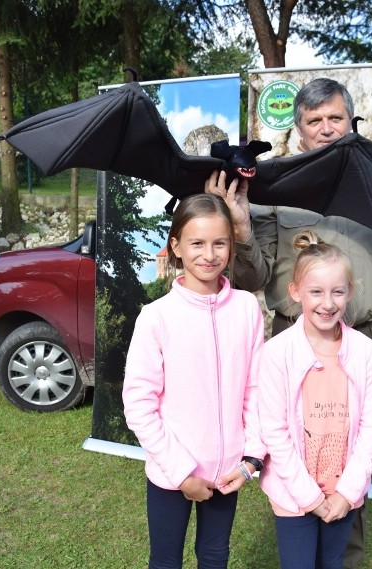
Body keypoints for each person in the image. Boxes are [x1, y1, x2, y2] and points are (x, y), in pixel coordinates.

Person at [205, 77, 372, 568]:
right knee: (295, 454)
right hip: (294, 341)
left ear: (351, 120)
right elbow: (253, 276)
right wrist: (242, 229)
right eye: (314, 121)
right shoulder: (271, 190)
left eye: (334, 118)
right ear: (301, 130)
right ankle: (300, 542)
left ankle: (342, 558)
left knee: (350, 455)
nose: (326, 129)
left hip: (365, 343)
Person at [122, 193, 266, 568]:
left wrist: (250, 459)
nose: (209, 254)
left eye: (219, 243)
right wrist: (182, 473)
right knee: (166, 560)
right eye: (197, 243)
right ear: (176, 247)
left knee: (215, 555)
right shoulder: (156, 317)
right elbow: (140, 406)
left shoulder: (247, 309)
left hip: (229, 471)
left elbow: (256, 390)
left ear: (231, 246)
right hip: (173, 474)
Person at [257, 230, 372, 569]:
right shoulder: (276, 353)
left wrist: (347, 491)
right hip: (295, 493)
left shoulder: (366, 351)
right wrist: (309, 497)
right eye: (316, 292)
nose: (327, 303)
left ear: (349, 292)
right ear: (295, 292)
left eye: (337, 292)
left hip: (343, 490)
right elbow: (275, 431)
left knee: (333, 562)